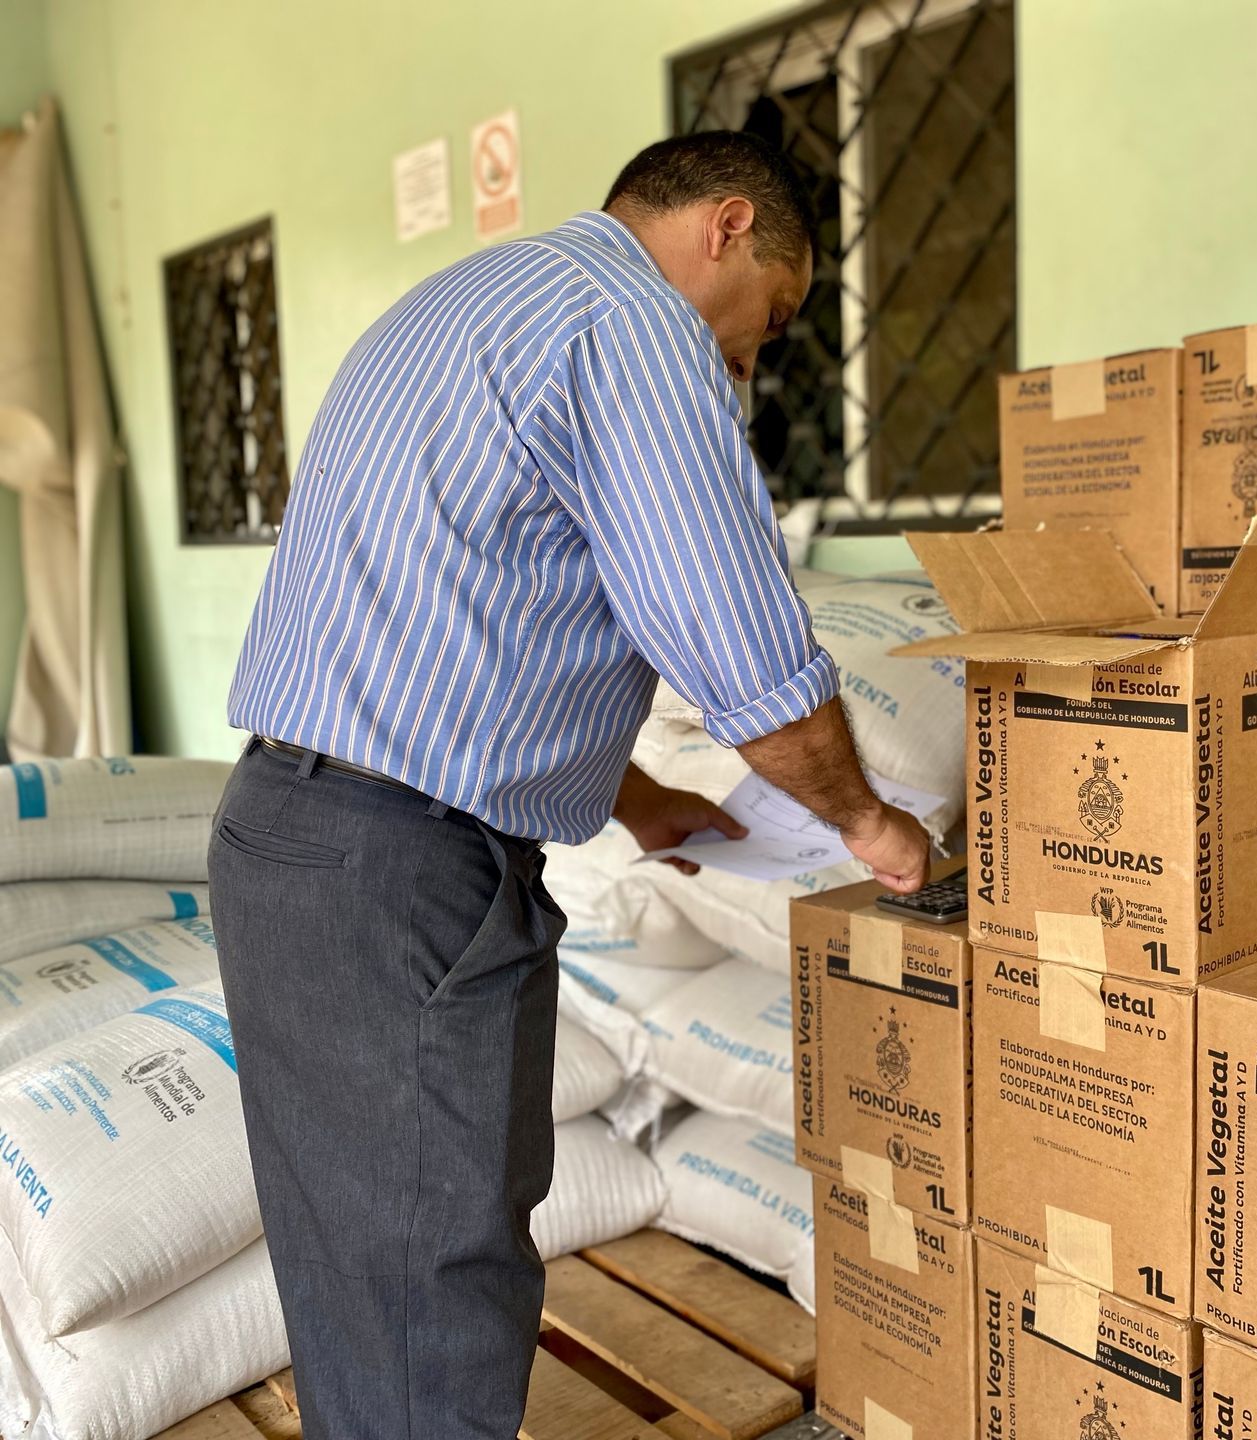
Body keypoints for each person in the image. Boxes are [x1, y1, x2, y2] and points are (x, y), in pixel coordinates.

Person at [208, 131, 929, 1439]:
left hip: (288, 839)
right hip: (402, 880)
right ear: (723, 227)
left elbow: (463, 624)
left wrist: (638, 798)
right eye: (764, 325)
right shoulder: (632, 325)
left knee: (360, 1279)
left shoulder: (480, 301)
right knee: (433, 1284)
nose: (748, 367)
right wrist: (870, 822)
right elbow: (747, 654)